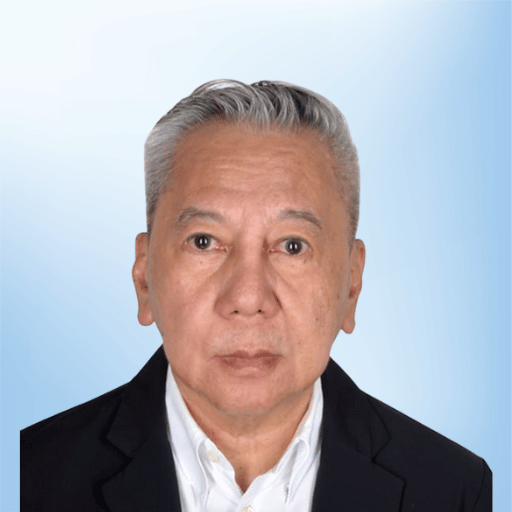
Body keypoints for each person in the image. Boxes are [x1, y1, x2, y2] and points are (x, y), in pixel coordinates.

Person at [21, 80, 491, 511]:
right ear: (144, 277)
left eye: (292, 246)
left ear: (351, 284)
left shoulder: (457, 492)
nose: (247, 298)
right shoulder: (29, 479)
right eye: (204, 241)